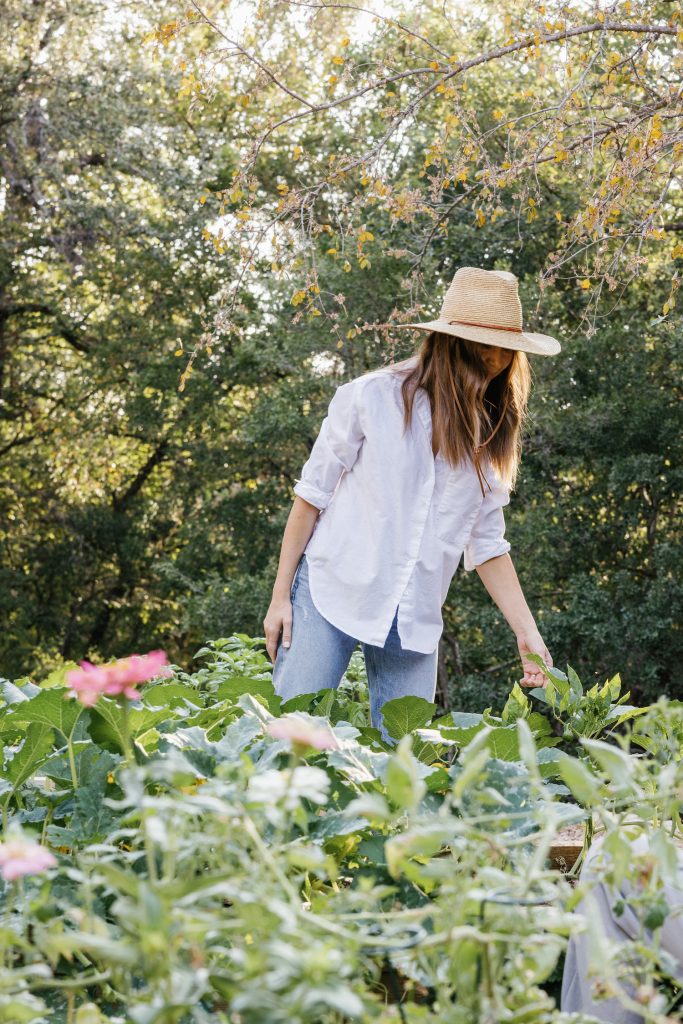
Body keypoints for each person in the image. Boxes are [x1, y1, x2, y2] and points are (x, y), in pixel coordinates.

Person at [263, 266, 562, 741]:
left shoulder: (491, 434)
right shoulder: (370, 398)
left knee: (408, 758)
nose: (495, 357)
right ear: (449, 341)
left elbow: (487, 543)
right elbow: (309, 499)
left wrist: (527, 632)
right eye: (481, 343)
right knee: (287, 736)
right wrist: (280, 598)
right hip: (332, 587)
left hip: (415, 615)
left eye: (507, 348)